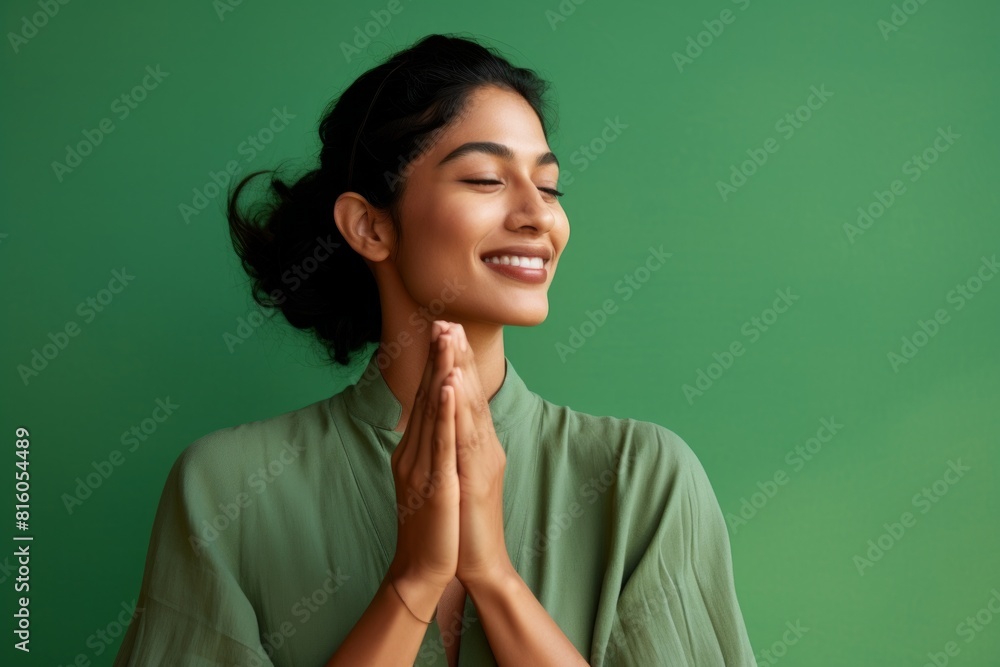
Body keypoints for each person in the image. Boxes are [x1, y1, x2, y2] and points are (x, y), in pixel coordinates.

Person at [113, 32, 756, 666]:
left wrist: (494, 578)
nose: (540, 214)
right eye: (484, 179)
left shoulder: (643, 478)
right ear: (370, 225)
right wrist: (414, 581)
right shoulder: (225, 487)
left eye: (550, 186)